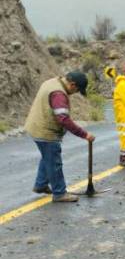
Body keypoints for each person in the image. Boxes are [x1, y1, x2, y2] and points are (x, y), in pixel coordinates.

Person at [24, 71, 95, 203]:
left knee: (47, 156)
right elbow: (64, 120)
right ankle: (59, 193)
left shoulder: (52, 82)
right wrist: (85, 134)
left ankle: (41, 185)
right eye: (77, 90)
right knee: (54, 161)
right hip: (45, 130)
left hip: (35, 125)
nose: (75, 93)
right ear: (72, 84)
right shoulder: (59, 94)